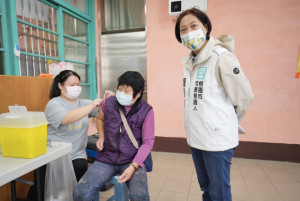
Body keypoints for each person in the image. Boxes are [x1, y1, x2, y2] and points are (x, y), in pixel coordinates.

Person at [175, 8, 254, 201]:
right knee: (206, 189)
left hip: (217, 141)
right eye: (183, 29)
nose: (188, 32)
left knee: (219, 193)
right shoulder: (188, 62)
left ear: (206, 27)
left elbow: (243, 97)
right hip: (196, 138)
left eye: (193, 26)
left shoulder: (221, 57)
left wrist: (227, 122)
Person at [73, 71, 155, 201]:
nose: (121, 93)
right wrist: (101, 137)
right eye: (120, 89)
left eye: (126, 91)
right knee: (81, 192)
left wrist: (133, 166)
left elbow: (148, 143)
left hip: (132, 160)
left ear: (138, 94)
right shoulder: (108, 103)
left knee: (139, 197)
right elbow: (100, 119)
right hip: (106, 158)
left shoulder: (147, 111)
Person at [28, 70, 103, 200]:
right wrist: (91, 106)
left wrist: (108, 101)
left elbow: (103, 114)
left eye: (78, 85)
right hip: (53, 155)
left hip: (76, 155)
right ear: (60, 85)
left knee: (79, 168)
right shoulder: (54, 104)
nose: (76, 88)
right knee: (43, 187)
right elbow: (66, 118)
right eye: (72, 85)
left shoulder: (83, 103)